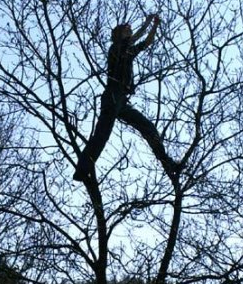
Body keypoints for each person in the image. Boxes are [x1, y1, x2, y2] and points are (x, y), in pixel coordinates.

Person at [74, 14, 179, 182]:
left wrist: (154, 26)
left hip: (122, 100)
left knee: (148, 128)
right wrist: (146, 23)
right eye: (126, 30)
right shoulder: (116, 48)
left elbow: (147, 43)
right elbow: (134, 39)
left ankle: (168, 164)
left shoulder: (128, 51)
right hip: (112, 96)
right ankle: (82, 170)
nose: (130, 32)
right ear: (119, 35)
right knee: (102, 136)